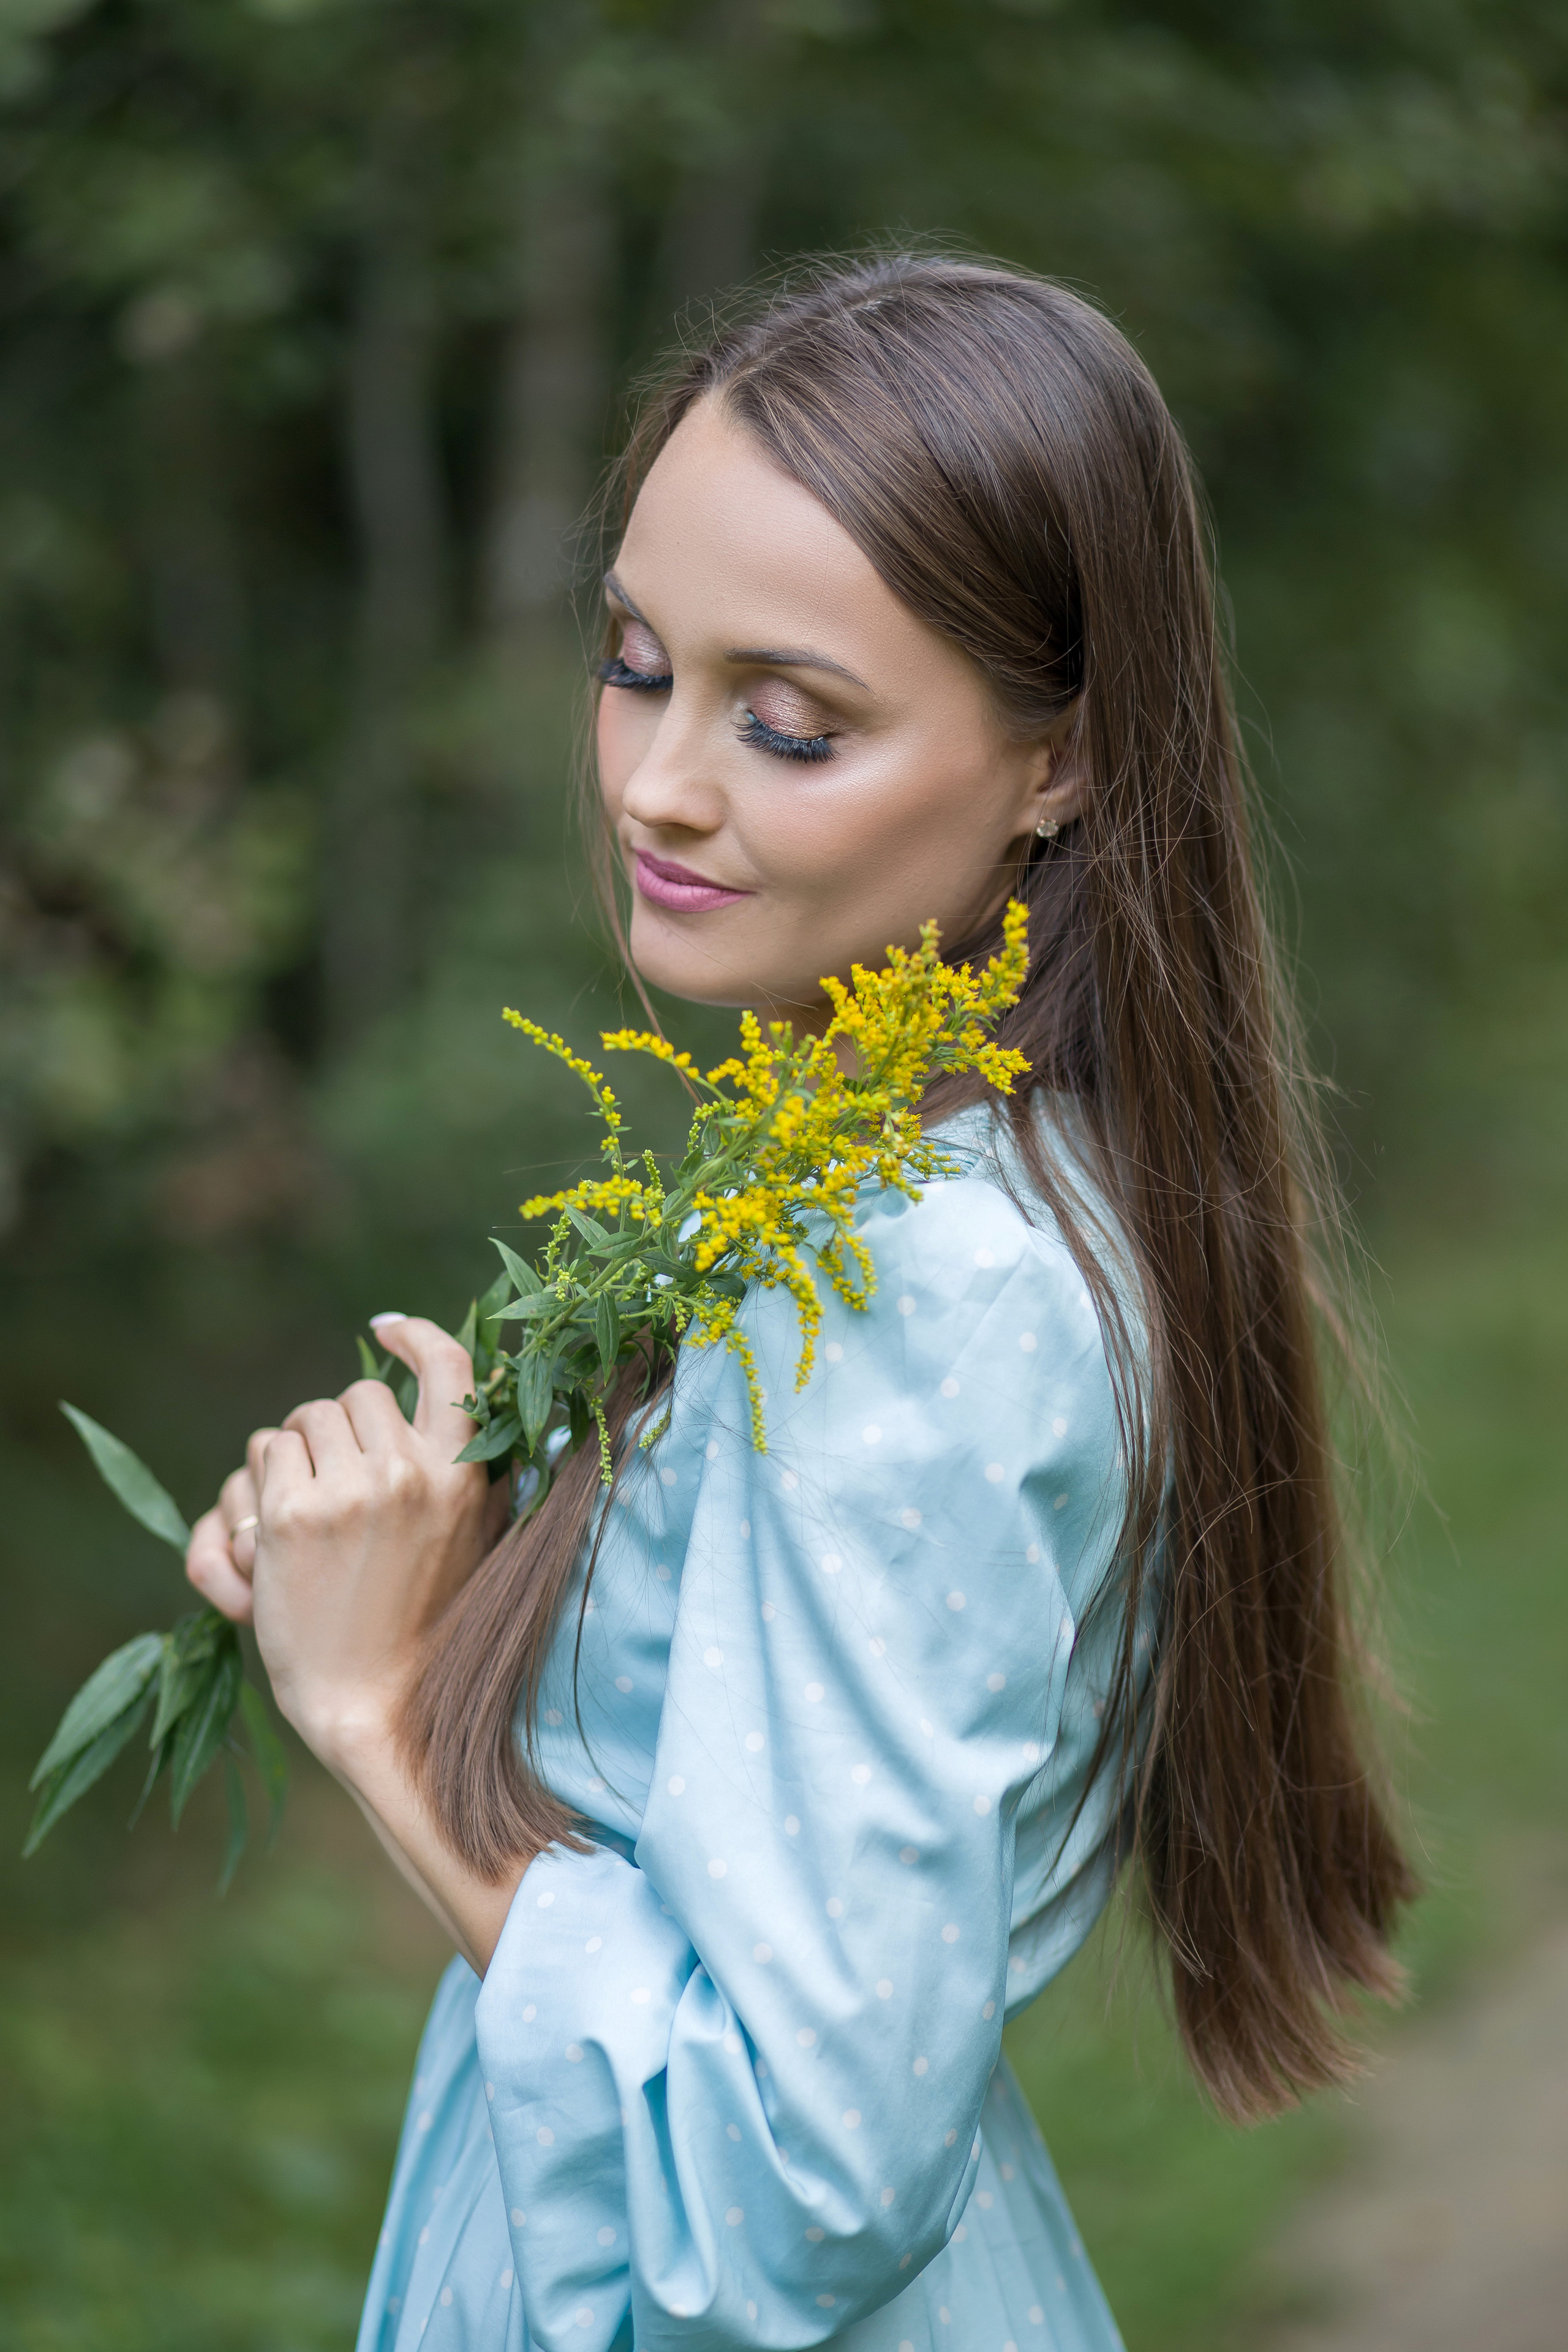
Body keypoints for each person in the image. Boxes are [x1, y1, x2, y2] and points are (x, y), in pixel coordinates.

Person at [184, 254, 1416, 2352]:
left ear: (1064, 764)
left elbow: (782, 2194)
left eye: (787, 720)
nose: (661, 783)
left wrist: (376, 1707)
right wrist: (475, 1575)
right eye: (634, 660)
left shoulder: (904, 1296)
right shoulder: (938, 1179)